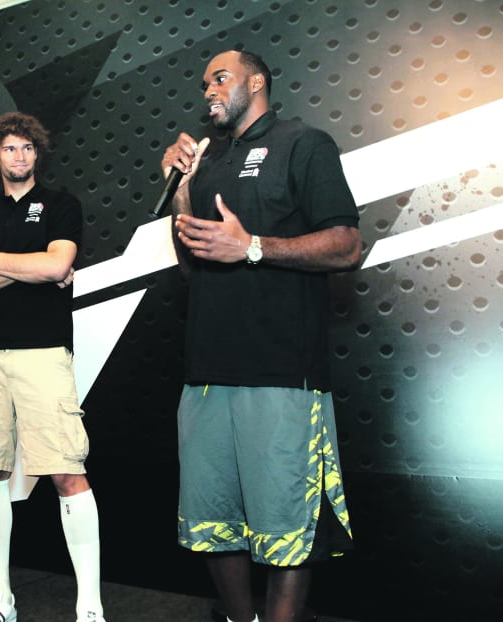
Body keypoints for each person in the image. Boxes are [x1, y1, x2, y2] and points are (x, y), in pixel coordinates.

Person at [160, 50, 361, 622]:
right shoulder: (209, 160)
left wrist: (251, 246)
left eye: (219, 78)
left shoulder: (304, 143)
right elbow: (191, 264)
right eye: (204, 83)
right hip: (206, 372)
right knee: (213, 519)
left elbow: (347, 245)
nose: (208, 90)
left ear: (256, 82)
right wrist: (183, 186)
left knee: (286, 523)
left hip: (282, 370)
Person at [0, 112, 105, 622]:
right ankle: (1, 599)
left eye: (27, 148)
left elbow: (57, 264)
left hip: (43, 350)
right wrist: (30, 265)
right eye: (10, 148)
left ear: (37, 154)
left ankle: (90, 609)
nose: (19, 156)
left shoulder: (61, 204)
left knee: (66, 471)